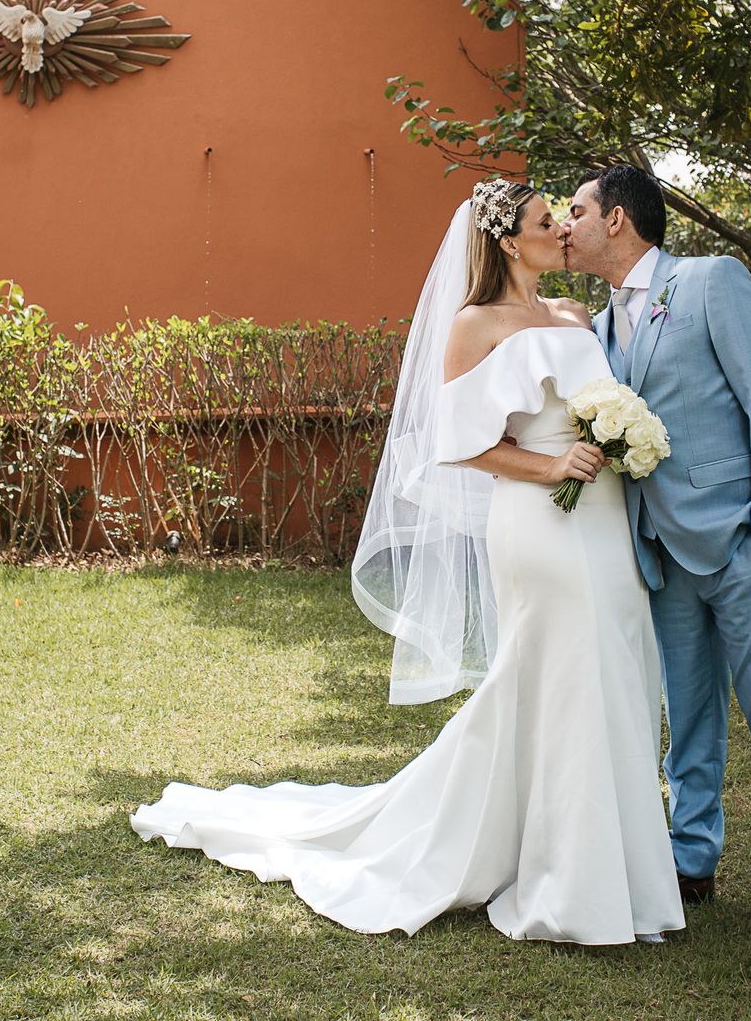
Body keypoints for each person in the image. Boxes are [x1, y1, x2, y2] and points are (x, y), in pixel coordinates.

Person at [131, 180, 685, 944]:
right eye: (543, 220)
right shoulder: (474, 326)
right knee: (562, 674)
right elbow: (461, 444)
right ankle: (567, 887)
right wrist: (551, 466)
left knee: (610, 671)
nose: (559, 227)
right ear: (506, 241)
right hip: (541, 522)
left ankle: (621, 874)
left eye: (560, 215)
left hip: (604, 520)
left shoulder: (574, 314)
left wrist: (621, 442)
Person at [562, 163, 751, 951]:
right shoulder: (596, 328)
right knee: (690, 719)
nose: (565, 225)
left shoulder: (711, 283)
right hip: (661, 555)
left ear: (616, 219)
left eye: (575, 210)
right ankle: (692, 859)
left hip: (742, 544)